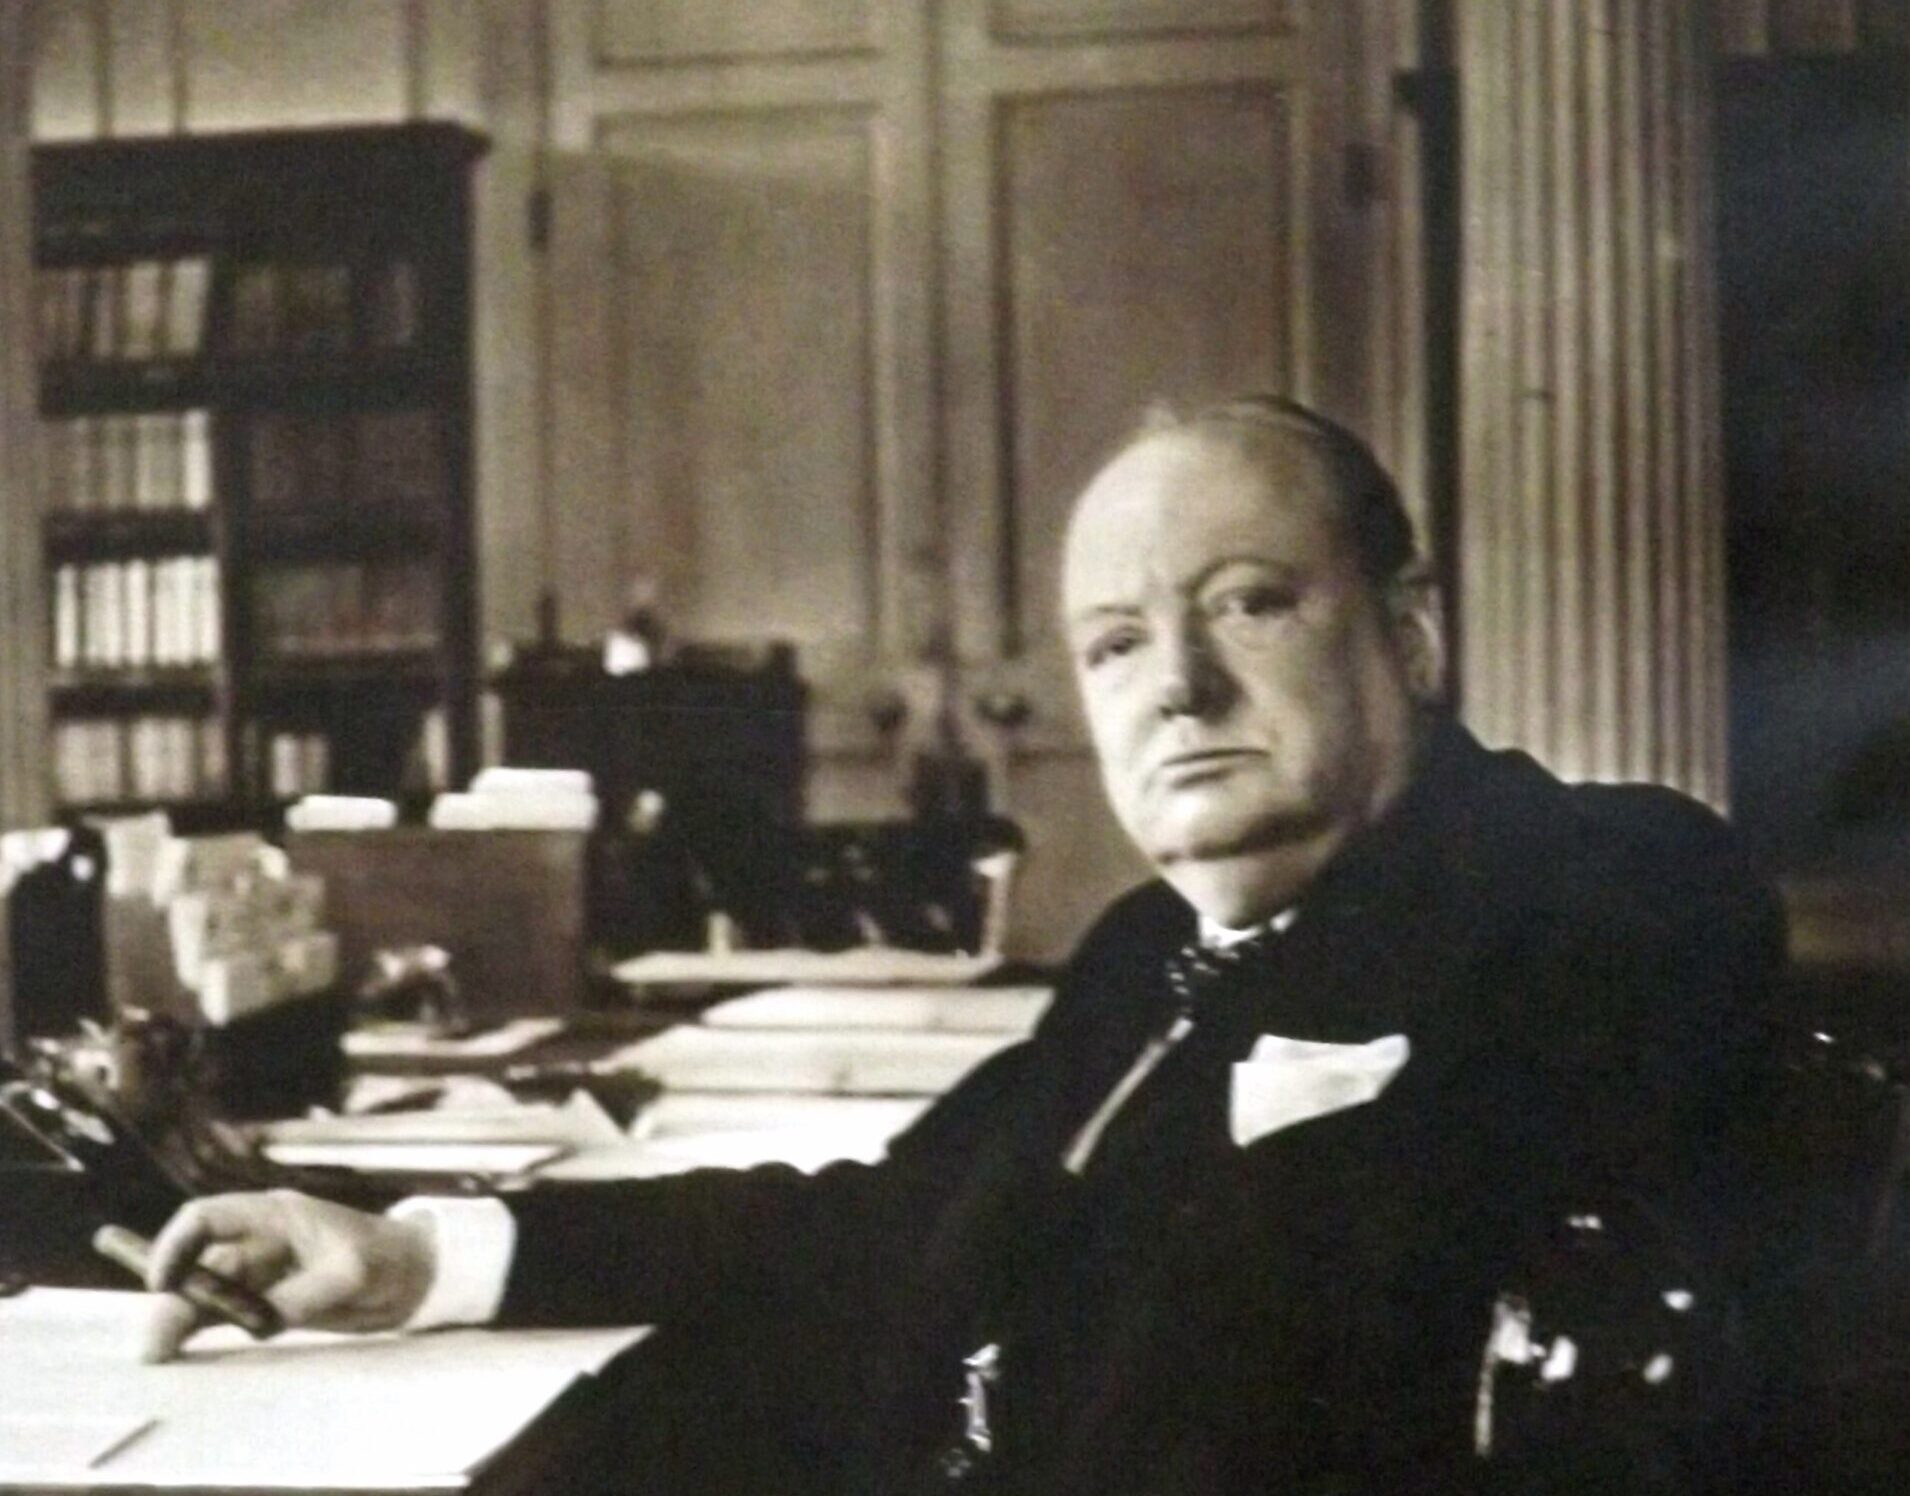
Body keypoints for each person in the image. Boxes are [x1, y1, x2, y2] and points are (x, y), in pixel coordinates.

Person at [142, 396, 1783, 1494]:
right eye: (1116, 642)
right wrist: (422, 1256)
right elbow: (899, 1221)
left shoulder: (1607, 883)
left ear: (1409, 636)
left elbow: (1279, 1332)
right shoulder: (1148, 948)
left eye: (1247, 602)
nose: (1176, 687)